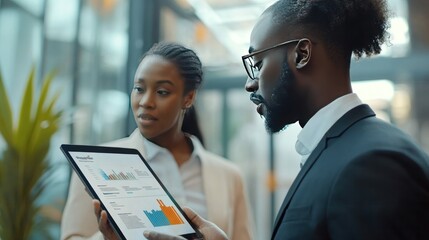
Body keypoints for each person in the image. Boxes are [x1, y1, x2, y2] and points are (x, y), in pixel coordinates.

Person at [127, 0, 429, 239]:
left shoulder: (372, 163)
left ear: (301, 54)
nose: (250, 83)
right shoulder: (339, 150)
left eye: (257, 63)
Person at [61, 42, 253, 240]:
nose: (145, 101)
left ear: (188, 97)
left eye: (162, 92)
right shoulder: (95, 164)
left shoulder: (229, 176)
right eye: (139, 88)